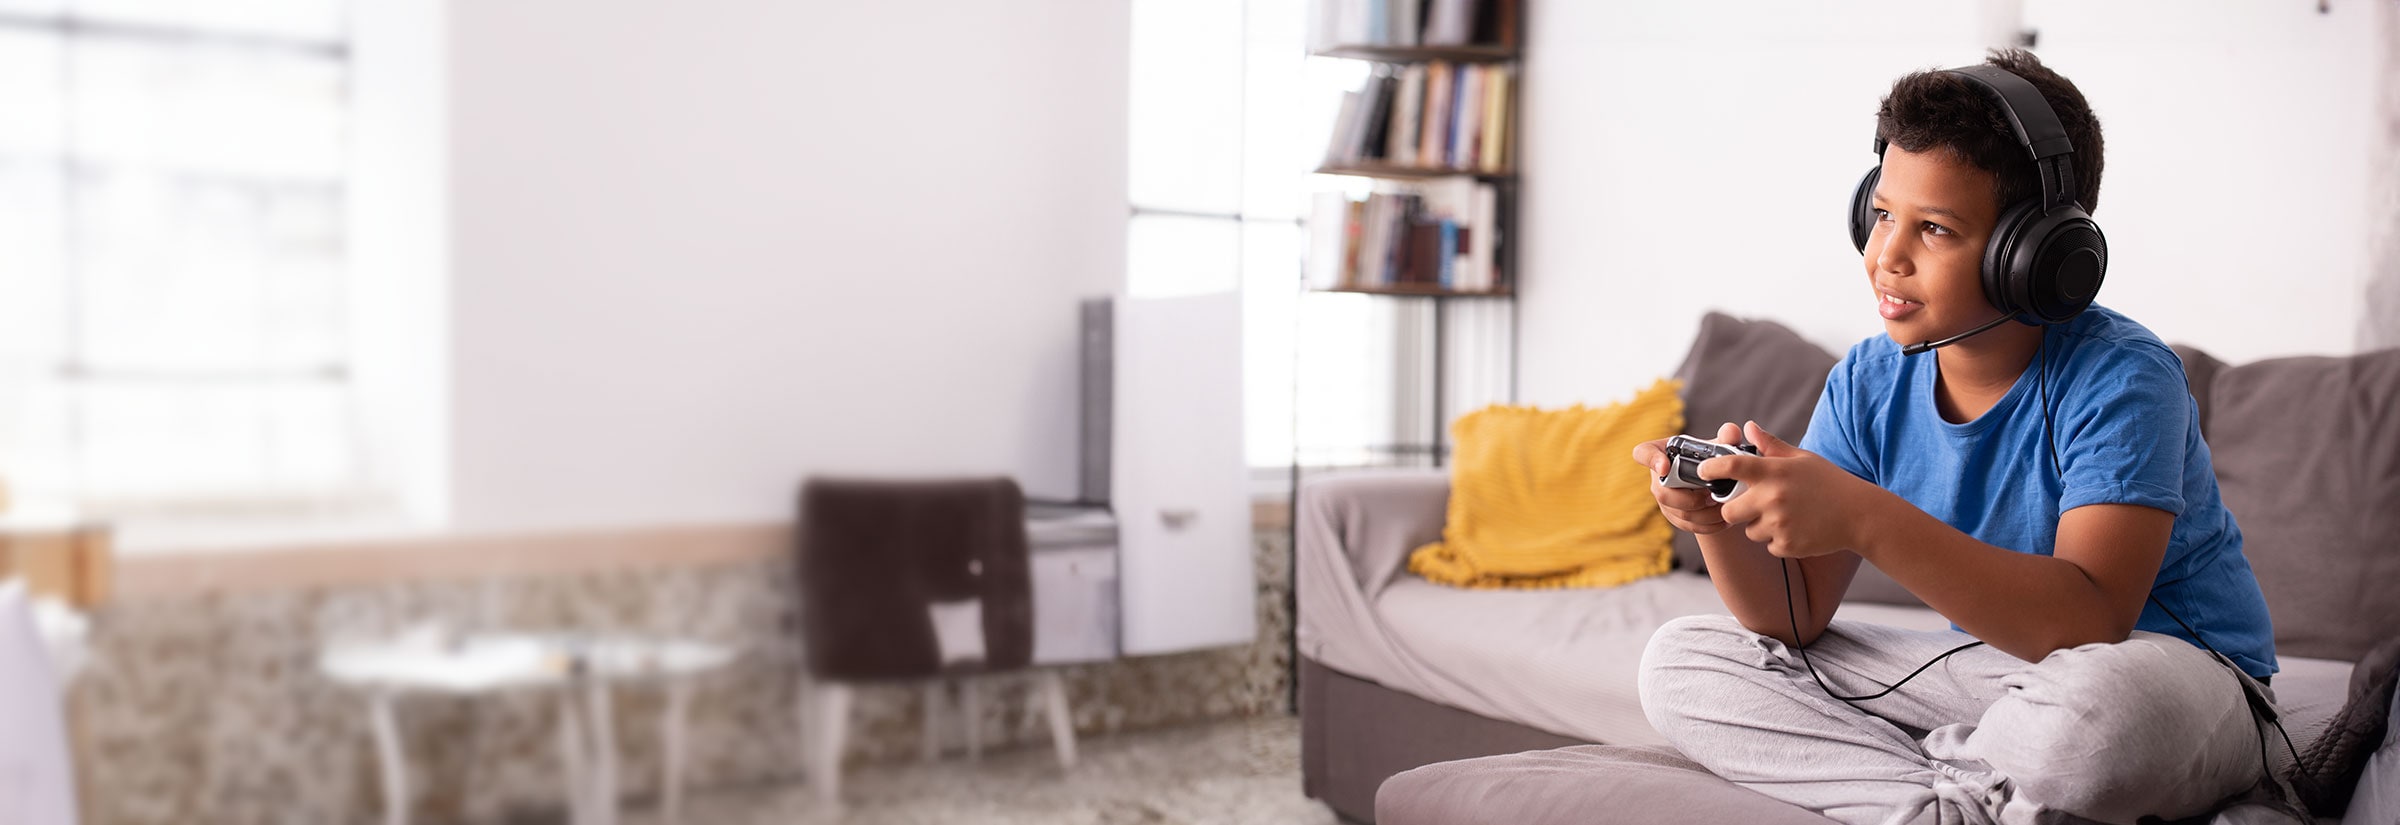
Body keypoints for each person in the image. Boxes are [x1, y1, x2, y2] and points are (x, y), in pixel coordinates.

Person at [1630, 49, 2286, 825]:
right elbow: (1796, 617)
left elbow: (2091, 621)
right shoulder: (1870, 379)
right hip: (2001, 675)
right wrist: (1717, 526)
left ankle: (1974, 772)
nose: (1886, 256)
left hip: (2171, 677)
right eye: (1881, 215)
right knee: (1683, 661)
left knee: (2095, 720)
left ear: (2038, 259)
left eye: (1934, 228)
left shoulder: (2124, 377)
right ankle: (1949, 802)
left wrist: (1862, 515)